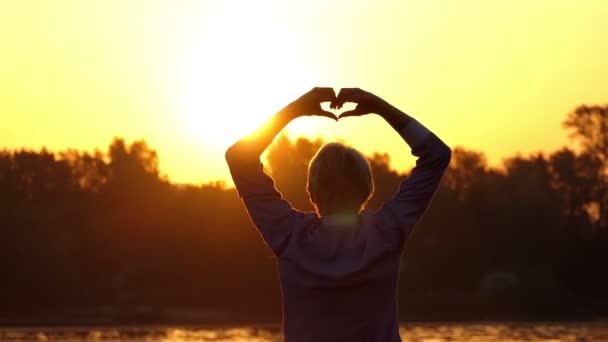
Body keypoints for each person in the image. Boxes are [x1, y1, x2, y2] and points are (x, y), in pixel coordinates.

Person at [225, 87, 451, 342]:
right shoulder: (386, 232)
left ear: (311, 192)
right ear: (367, 190)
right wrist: (381, 108)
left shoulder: (290, 235)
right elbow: (436, 155)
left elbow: (238, 158)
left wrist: (293, 111)